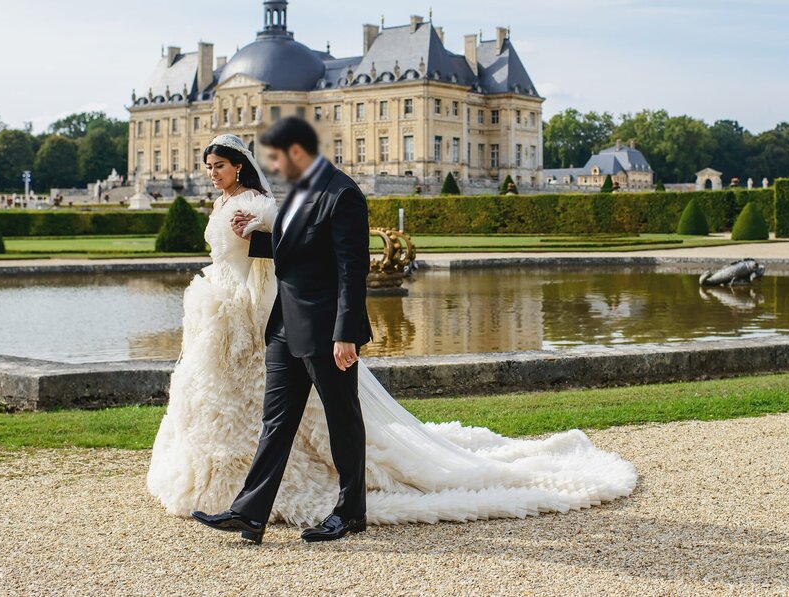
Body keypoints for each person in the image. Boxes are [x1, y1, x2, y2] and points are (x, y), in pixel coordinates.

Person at [147, 121, 636, 545]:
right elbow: (291, 252)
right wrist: (249, 238)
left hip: (324, 331)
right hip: (283, 328)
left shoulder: (343, 195)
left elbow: (349, 269)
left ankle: (350, 511)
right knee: (276, 424)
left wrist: (346, 334)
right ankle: (249, 513)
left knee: (343, 418)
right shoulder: (294, 194)